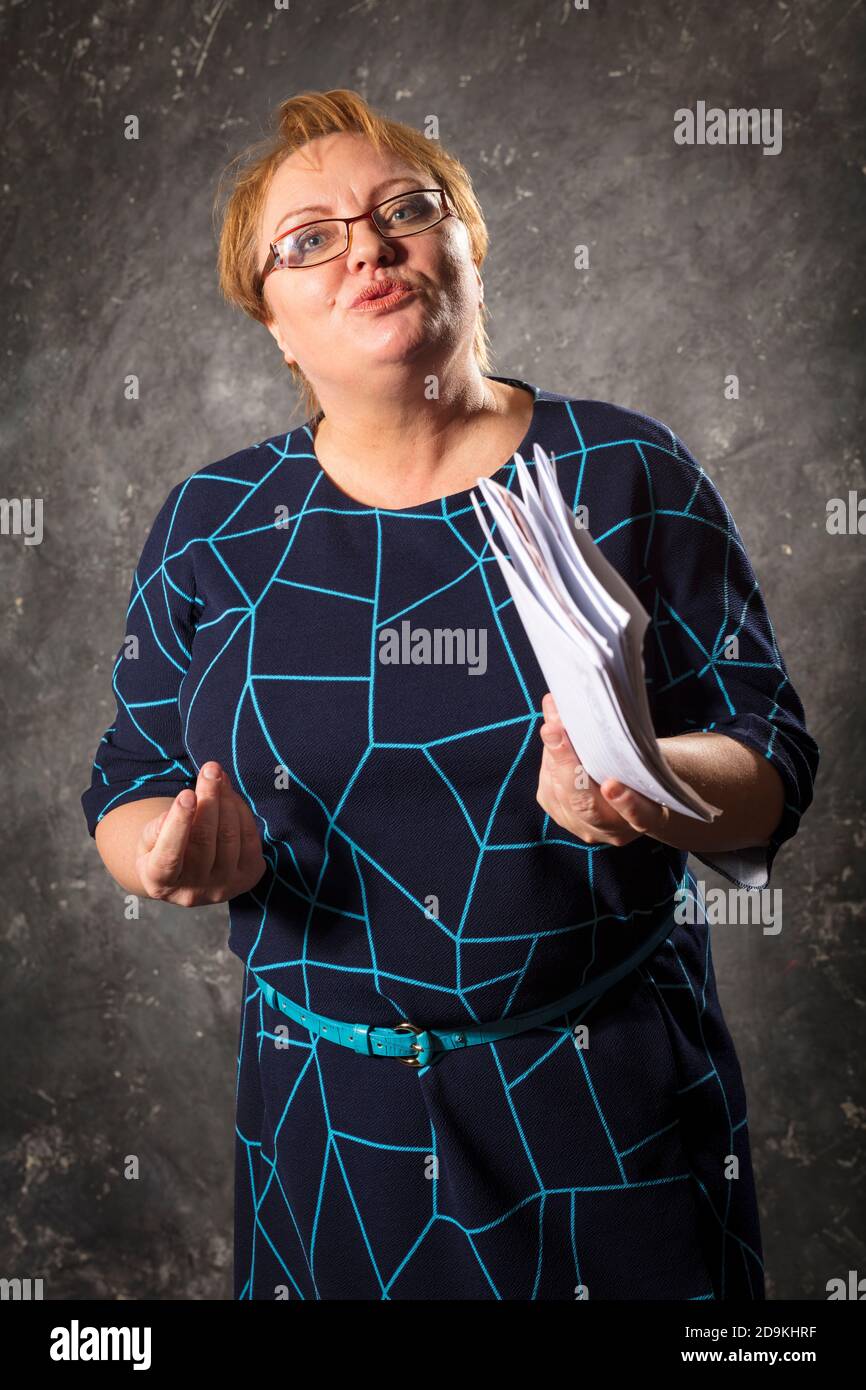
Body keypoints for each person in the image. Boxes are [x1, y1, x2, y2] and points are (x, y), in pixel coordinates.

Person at [81, 88, 819, 1301]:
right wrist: (160, 854)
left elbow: (770, 761)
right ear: (272, 321)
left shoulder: (621, 466)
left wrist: (645, 787)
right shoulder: (212, 523)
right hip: (324, 1123)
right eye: (308, 239)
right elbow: (132, 779)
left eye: (405, 211)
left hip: (604, 1104)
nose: (365, 247)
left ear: (466, 248)